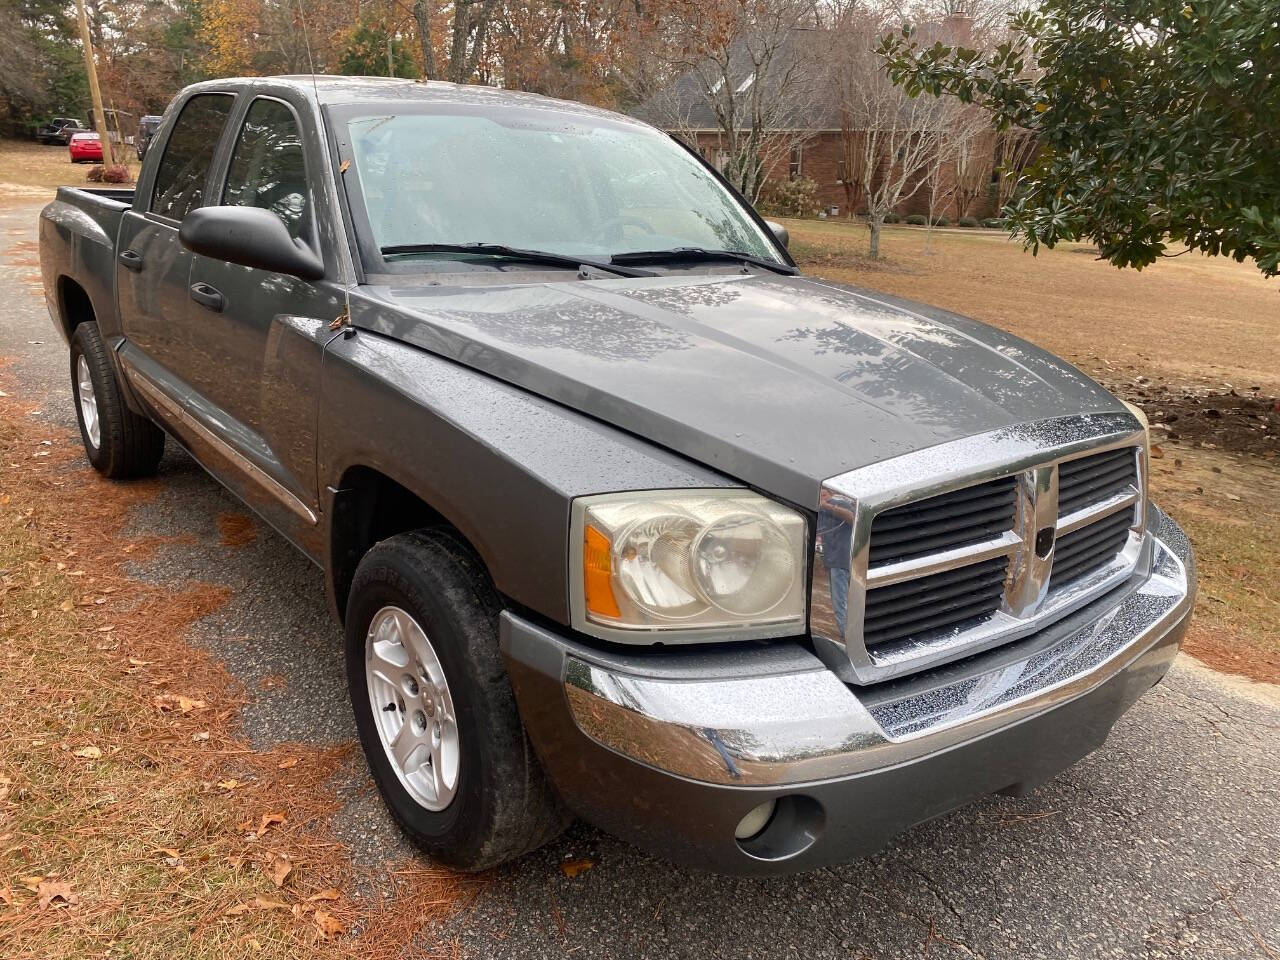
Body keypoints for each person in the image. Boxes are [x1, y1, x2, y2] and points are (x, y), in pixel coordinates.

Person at [818, 488, 856, 637]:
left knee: (841, 602)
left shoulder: (839, 504)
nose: (822, 499)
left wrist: (827, 505)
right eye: (819, 497)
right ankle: (848, 631)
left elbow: (852, 518)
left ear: (831, 495)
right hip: (834, 562)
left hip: (844, 559)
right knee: (841, 600)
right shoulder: (822, 513)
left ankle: (847, 635)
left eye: (824, 495)